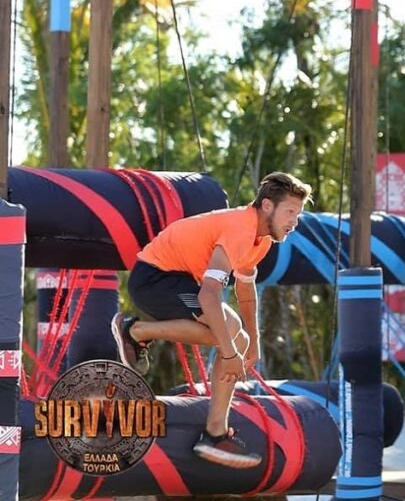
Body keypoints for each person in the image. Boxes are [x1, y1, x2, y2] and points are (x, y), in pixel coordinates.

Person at [111, 172, 312, 469]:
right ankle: (135, 330)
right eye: (291, 211)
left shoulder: (261, 239)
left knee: (238, 337)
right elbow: (208, 296)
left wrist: (252, 344)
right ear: (268, 206)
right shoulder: (240, 228)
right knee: (228, 334)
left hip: (178, 281)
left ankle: (215, 433)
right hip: (154, 279)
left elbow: (246, 291)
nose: (295, 221)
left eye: (298, 214)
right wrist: (229, 355)